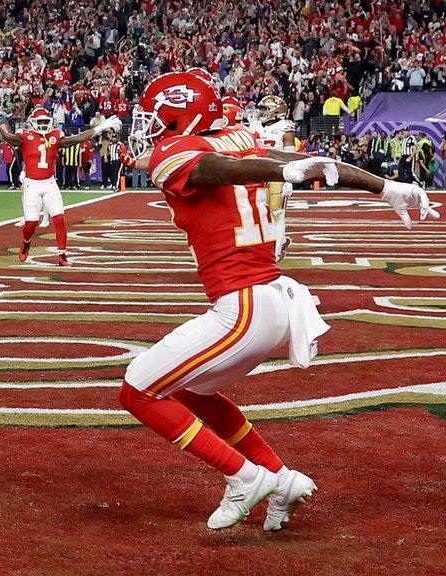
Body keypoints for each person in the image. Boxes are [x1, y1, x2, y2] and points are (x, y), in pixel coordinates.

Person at [123, 71, 438, 531]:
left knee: (137, 390)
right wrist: (386, 187)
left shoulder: (183, 154)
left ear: (178, 114)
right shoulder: (242, 140)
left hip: (242, 306)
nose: (149, 127)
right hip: (272, 302)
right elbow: (316, 164)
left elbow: (215, 169)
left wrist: (283, 170)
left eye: (154, 116)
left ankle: (243, 476)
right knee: (195, 390)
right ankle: (282, 477)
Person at [0, 106, 120, 266]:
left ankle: (62, 255)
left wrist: (99, 128)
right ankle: (26, 241)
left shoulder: (56, 135)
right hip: (32, 184)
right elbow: (7, 138)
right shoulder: (24, 136)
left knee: (59, 219)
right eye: (40, 121)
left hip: (50, 183)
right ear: (32, 122)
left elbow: (77, 138)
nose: (43, 124)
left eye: (45, 121)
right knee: (31, 223)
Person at [248, 95, 297, 261]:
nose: (261, 113)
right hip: (257, 173)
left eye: (264, 109)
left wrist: (289, 180)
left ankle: (275, 254)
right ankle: (279, 241)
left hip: (277, 174)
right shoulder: (255, 126)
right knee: (258, 212)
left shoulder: (285, 126)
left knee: (277, 213)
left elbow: (291, 155)